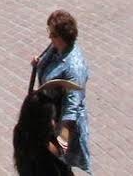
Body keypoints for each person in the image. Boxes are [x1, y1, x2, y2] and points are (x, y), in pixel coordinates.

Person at [30, 10, 92, 172]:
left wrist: (61, 146)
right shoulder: (56, 47)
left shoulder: (74, 68)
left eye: (52, 33)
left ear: (62, 36)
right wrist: (39, 63)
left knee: (59, 165)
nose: (49, 37)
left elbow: (71, 111)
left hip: (62, 125)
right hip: (49, 116)